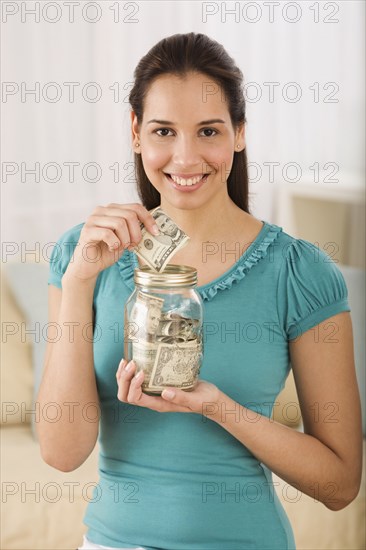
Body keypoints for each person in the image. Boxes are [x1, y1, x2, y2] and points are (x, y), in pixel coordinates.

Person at [37, 32, 362, 550]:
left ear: (239, 134)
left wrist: (215, 406)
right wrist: (78, 283)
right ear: (136, 131)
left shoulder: (298, 272)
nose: (185, 158)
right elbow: (61, 452)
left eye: (208, 131)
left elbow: (341, 484)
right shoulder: (84, 254)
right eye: (164, 130)